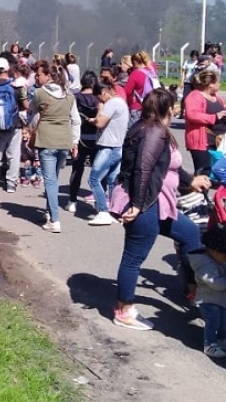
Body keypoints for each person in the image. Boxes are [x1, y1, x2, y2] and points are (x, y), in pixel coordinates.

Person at [110, 89, 209, 330]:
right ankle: (124, 311)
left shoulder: (152, 128)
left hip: (158, 203)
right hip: (146, 204)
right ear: (168, 109)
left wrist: (190, 181)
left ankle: (194, 292)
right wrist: (137, 205)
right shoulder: (153, 132)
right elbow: (143, 170)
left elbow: (169, 167)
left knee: (190, 235)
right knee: (134, 258)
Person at [30, 61, 81, 233]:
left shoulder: (39, 93)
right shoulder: (70, 95)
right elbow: (76, 120)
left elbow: (32, 110)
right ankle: (48, 210)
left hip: (46, 140)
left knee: (50, 180)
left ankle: (54, 219)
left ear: (49, 76)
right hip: (64, 141)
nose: (37, 77)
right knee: (55, 178)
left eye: (39, 74)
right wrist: (74, 141)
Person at [82, 81, 130, 225]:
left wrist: (99, 111)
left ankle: (103, 211)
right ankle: (114, 210)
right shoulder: (121, 102)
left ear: (104, 92)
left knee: (94, 179)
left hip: (108, 147)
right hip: (118, 146)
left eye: (99, 97)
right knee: (111, 180)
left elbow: (100, 123)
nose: (99, 100)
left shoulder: (111, 103)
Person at [0, 58, 28, 193]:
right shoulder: (15, 85)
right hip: (14, 124)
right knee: (14, 154)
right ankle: (11, 183)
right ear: (8, 68)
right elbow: (24, 104)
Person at [189, 227, 226, 358]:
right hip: (208, 300)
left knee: (223, 320)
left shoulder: (218, 260)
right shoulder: (204, 265)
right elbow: (215, 283)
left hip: (220, 299)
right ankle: (209, 344)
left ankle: (222, 339)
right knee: (213, 322)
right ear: (214, 252)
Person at [67, 72, 99, 213]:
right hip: (96, 138)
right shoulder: (99, 99)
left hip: (79, 138)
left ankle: (72, 201)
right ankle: (99, 202)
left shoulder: (76, 98)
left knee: (77, 170)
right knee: (97, 172)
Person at [183, 68, 226, 174]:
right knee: (203, 172)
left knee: (217, 172)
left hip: (219, 141)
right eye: (218, 82)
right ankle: (197, 190)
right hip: (202, 142)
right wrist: (214, 117)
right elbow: (191, 115)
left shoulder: (216, 97)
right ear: (210, 84)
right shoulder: (194, 96)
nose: (220, 84)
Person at [124, 51, 160, 125]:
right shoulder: (152, 69)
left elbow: (127, 91)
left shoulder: (136, 73)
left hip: (138, 106)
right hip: (152, 106)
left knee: (135, 131)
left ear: (135, 62)